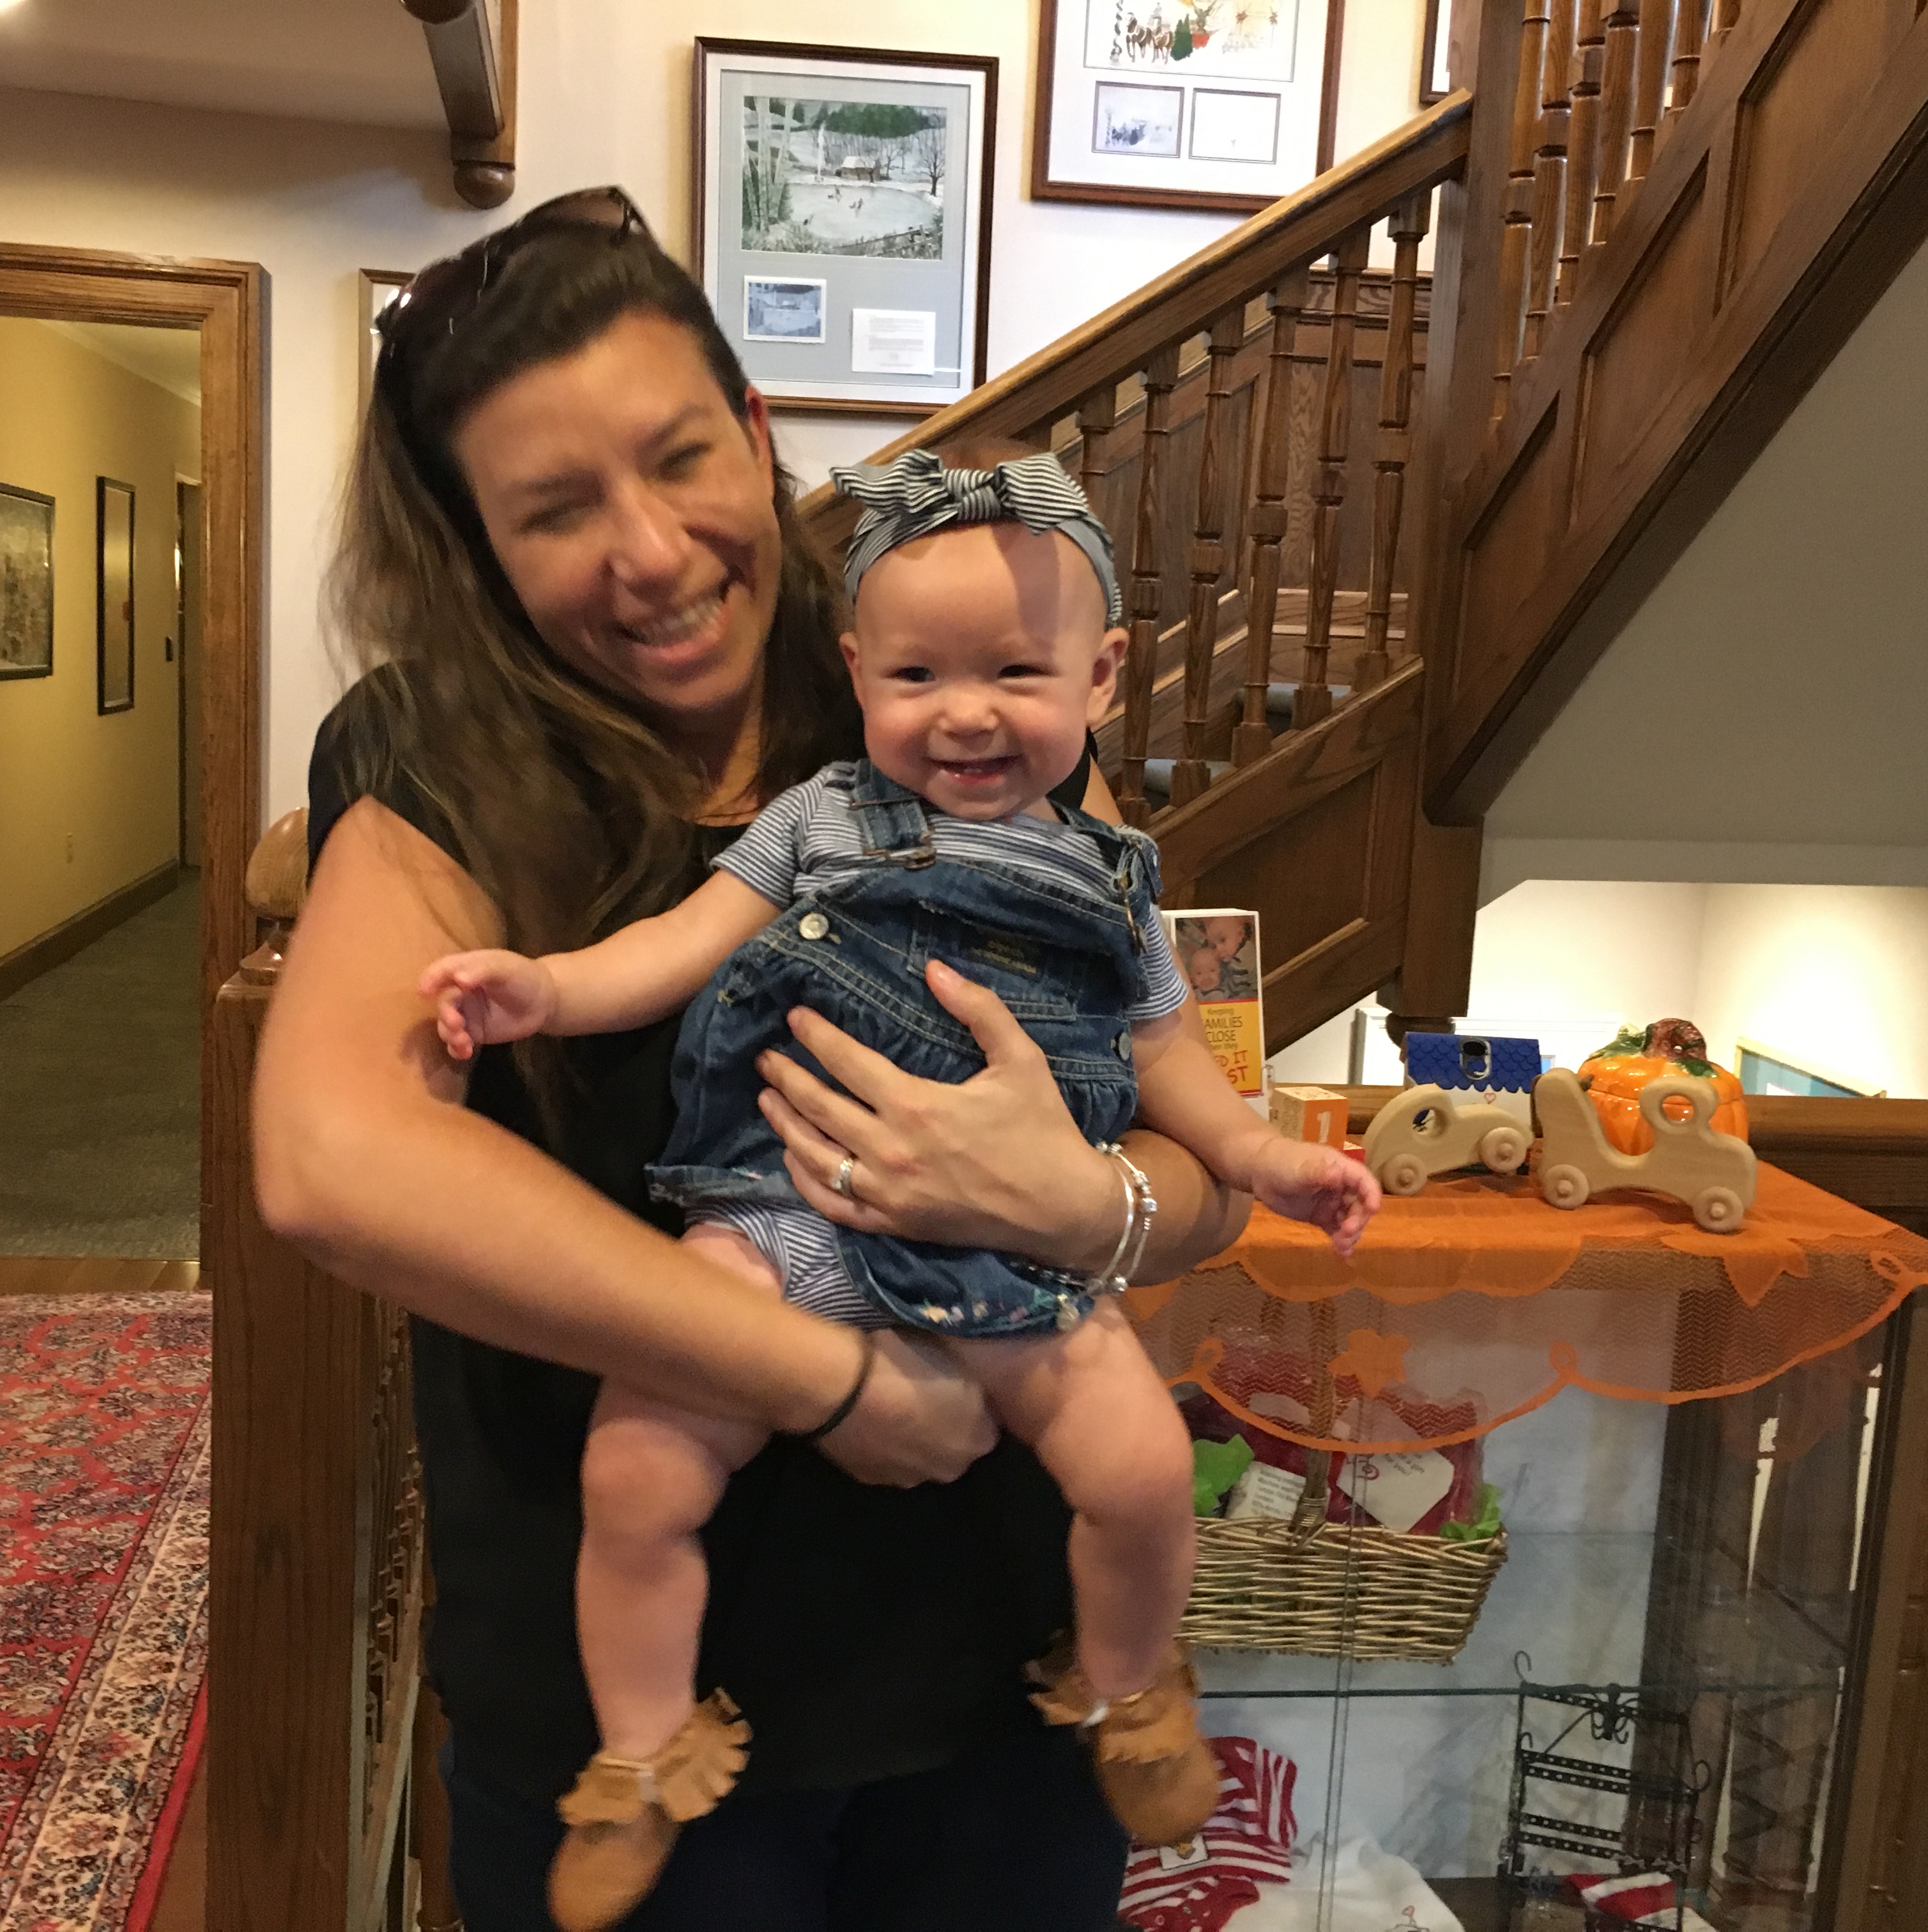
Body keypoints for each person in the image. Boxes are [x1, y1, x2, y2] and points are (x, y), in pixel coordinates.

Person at [250, 187, 1260, 1932]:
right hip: (642, 1731)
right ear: (476, 544)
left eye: (679, 460)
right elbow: (334, 1160)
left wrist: (1077, 1203)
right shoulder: (435, 757)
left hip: (1000, 1688)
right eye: (556, 509)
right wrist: (829, 1380)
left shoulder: (946, 685)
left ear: (760, 431)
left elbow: (1193, 1162)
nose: (647, 551)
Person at [424, 448, 1382, 1930]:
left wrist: (1262, 1159)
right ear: (857, 673)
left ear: (1103, 676)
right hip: (780, 1219)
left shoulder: (1113, 878)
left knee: (1135, 1473)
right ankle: (637, 1756)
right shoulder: (815, 819)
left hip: (1009, 1249)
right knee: (638, 1472)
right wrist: (540, 991)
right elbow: (678, 947)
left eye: (1015, 669)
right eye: (920, 674)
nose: (969, 711)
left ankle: (1127, 1698)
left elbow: (1171, 1059)